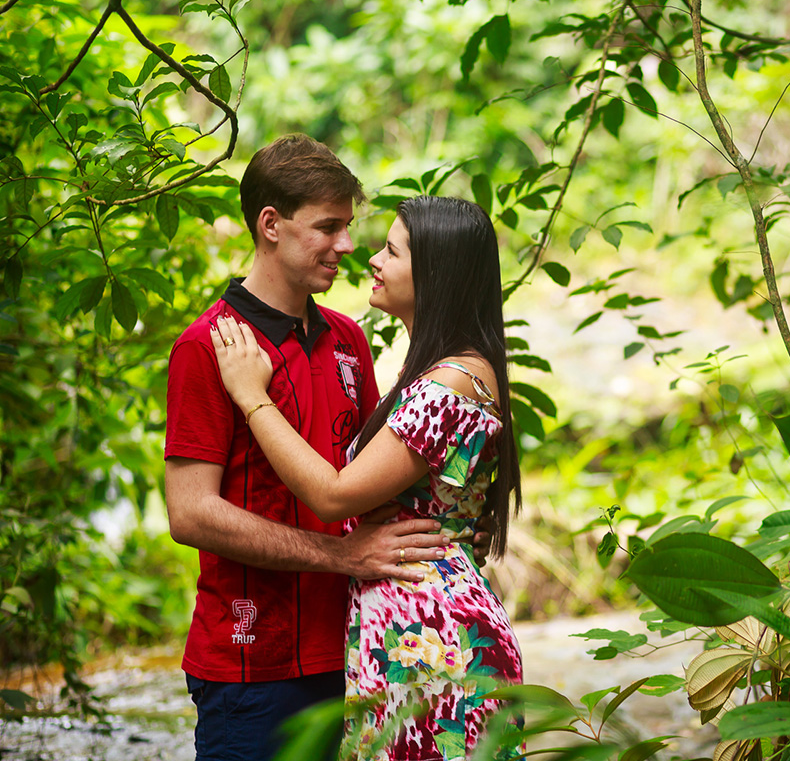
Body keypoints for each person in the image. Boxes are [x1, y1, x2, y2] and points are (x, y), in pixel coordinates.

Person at [164, 135, 480, 761]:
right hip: (252, 664)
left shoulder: (346, 339)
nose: (346, 246)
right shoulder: (208, 347)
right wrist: (340, 555)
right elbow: (190, 513)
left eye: (349, 227)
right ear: (271, 225)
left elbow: (371, 482)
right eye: (328, 227)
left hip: (358, 651)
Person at [209, 195, 524, 761]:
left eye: (392, 251)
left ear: (435, 274)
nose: (371, 259)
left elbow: (334, 495)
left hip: (433, 638)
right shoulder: (434, 371)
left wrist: (251, 396)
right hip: (410, 625)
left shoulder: (450, 383)